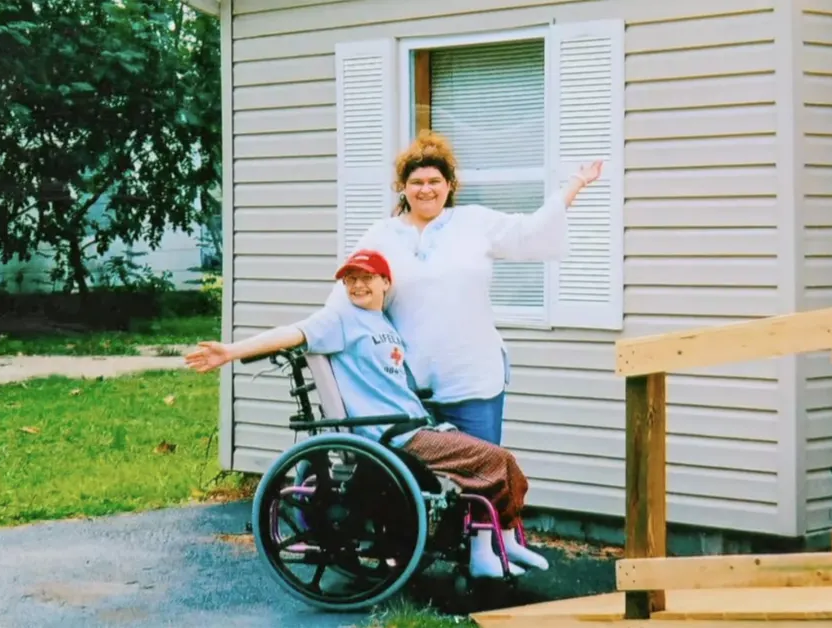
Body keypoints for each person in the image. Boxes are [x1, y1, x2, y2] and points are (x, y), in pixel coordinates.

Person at [185, 249, 549, 580]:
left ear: (385, 284)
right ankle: (484, 554)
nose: (358, 286)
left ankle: (503, 539)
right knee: (493, 459)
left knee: (504, 465)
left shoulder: (385, 325)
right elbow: (291, 333)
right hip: (394, 437)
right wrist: (229, 351)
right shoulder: (339, 319)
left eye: (367, 278)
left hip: (416, 426)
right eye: (351, 280)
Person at [325, 130, 604, 446]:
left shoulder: (474, 222)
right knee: (419, 488)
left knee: (482, 479)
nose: (426, 189)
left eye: (435, 181)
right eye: (417, 182)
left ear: (449, 185)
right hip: (409, 386)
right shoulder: (382, 235)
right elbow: (344, 297)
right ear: (402, 188)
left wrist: (575, 184)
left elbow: (531, 231)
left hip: (473, 381)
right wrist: (306, 337)